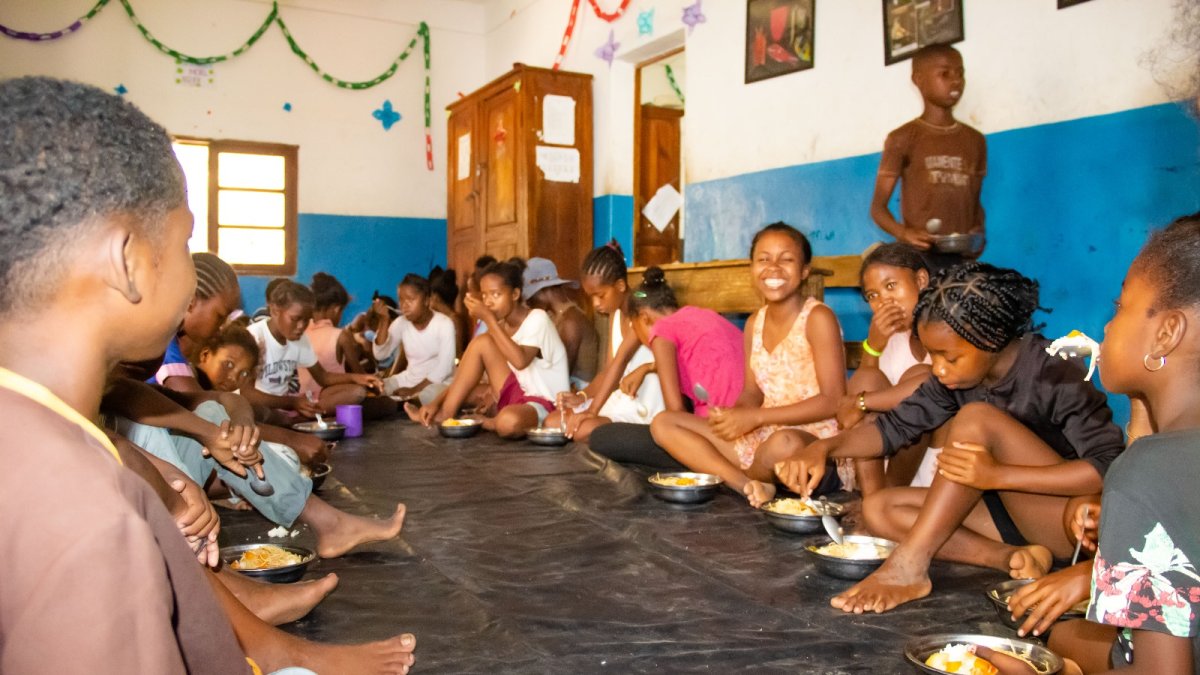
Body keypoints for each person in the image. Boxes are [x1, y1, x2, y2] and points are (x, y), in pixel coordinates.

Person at [0, 75, 252, 672]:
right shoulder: (87, 522)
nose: (192, 271)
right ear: (128, 262)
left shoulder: (41, 432)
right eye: (187, 241)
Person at [775, 262, 1126, 615]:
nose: (938, 368)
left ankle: (909, 565)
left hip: (1064, 524)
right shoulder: (953, 379)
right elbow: (891, 430)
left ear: (988, 340)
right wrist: (825, 446)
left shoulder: (1053, 371)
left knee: (975, 420)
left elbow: (1108, 468)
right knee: (879, 509)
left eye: (949, 356)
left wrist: (997, 476)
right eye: (933, 355)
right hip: (1003, 517)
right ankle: (1012, 558)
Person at [1018, 215, 1200, 674]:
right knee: (1066, 634)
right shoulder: (1164, 456)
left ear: (1166, 333)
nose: (1107, 326)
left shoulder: (1146, 474)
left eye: (1120, 308)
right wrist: (1142, 400)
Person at [651, 223, 846, 504]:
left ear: (804, 271)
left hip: (809, 440)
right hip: (762, 435)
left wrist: (756, 418)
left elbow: (833, 401)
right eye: (764, 259)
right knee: (664, 423)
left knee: (783, 444)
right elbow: (752, 394)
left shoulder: (817, 318)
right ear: (752, 268)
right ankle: (747, 485)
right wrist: (734, 415)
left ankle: (754, 477)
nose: (774, 268)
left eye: (786, 259)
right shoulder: (755, 323)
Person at [408, 260, 568, 439]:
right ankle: (445, 415)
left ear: (515, 294)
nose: (488, 302)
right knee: (481, 345)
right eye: (484, 296)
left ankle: (487, 421)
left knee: (508, 422)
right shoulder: (501, 325)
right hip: (519, 393)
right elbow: (464, 376)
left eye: (496, 294)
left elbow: (520, 361)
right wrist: (436, 403)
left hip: (547, 402)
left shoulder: (537, 318)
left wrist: (488, 320)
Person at [870, 43, 987, 272]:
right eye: (945, 74)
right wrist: (904, 233)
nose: (956, 81)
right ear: (918, 80)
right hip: (920, 260)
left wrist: (978, 232)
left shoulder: (975, 140)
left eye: (960, 73)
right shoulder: (903, 138)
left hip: (963, 259)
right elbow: (877, 208)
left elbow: (975, 202)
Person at [841, 243, 938, 495]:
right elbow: (848, 409)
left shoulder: (946, 329)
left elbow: (932, 390)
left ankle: (885, 501)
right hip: (886, 455)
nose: (884, 301)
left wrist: (864, 403)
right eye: (873, 296)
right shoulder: (890, 338)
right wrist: (873, 346)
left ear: (921, 280)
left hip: (936, 453)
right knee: (870, 383)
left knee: (917, 388)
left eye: (891, 286)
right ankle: (872, 502)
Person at [564, 241, 667, 456]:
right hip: (622, 399)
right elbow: (610, 369)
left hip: (644, 404)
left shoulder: (641, 310)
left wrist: (592, 411)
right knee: (558, 419)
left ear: (620, 286)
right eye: (591, 296)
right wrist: (583, 397)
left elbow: (620, 362)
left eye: (600, 295)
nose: (595, 304)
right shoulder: (616, 313)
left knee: (583, 430)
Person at [242, 280, 383, 421]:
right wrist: (291, 403)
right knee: (260, 413)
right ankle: (295, 421)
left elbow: (323, 377)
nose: (301, 326)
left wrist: (357, 378)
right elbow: (247, 393)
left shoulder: (300, 339)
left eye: (306, 320)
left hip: (286, 406)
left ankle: (297, 420)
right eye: (295, 319)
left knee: (356, 392)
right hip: (259, 408)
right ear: (274, 311)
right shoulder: (254, 337)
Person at [621, 267, 744, 416]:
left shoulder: (661, 331)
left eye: (634, 327)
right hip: (751, 416)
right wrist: (647, 368)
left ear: (644, 318)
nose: (639, 338)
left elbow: (675, 412)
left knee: (662, 423)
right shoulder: (701, 315)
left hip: (724, 424)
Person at [372, 273, 456, 405]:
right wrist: (383, 321)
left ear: (427, 301)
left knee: (431, 395)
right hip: (409, 380)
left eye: (411, 300)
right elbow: (380, 355)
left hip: (439, 383)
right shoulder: (401, 323)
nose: (404, 306)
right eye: (401, 300)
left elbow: (444, 369)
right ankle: (403, 403)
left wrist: (413, 390)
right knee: (378, 386)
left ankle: (401, 403)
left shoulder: (444, 324)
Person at [523, 257, 599, 390]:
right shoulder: (553, 317)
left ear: (543, 290)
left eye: (531, 296)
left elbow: (560, 374)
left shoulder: (571, 321)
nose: (529, 302)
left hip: (579, 392)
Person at [428, 265, 467, 356]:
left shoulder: (455, 321)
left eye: (430, 297)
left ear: (436, 297)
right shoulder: (443, 319)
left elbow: (456, 354)